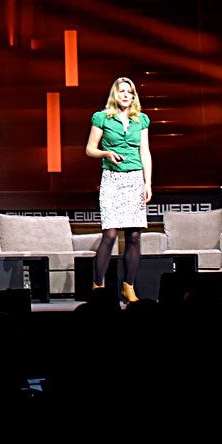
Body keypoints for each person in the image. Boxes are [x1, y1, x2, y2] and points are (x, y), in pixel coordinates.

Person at [85, 76, 152, 303]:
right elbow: (89, 149)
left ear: (133, 96)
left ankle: (128, 289)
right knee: (110, 234)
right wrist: (106, 154)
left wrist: (147, 182)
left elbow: (145, 153)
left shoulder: (141, 120)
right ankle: (98, 288)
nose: (126, 95)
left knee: (133, 235)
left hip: (134, 179)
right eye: (122, 91)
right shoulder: (102, 118)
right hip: (112, 179)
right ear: (115, 94)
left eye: (129, 91)